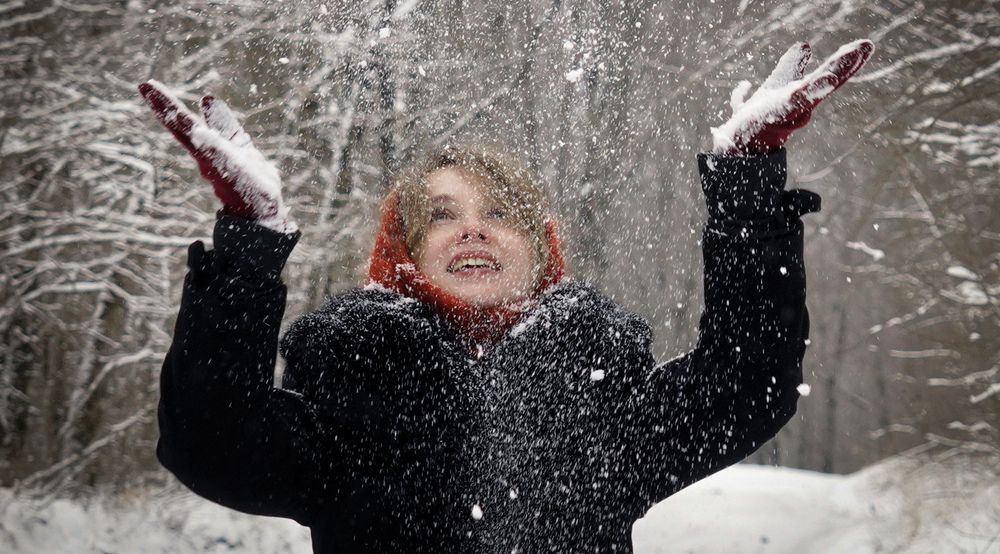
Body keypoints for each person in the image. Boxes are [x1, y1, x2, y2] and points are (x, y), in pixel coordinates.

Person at [141, 39, 873, 553]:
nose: (473, 231)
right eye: (442, 215)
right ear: (403, 254)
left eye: (499, 214)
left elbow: (749, 386)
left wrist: (747, 183)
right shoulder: (350, 404)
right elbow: (208, 442)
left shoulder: (600, 405)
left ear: (542, 249)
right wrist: (248, 241)